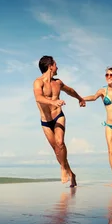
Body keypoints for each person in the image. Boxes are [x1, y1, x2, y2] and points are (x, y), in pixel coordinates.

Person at [33, 56, 86, 187]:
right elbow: (39, 97)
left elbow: (70, 91)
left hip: (58, 116)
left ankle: (63, 168)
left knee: (60, 143)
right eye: (56, 64)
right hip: (45, 121)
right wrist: (53, 101)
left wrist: (79, 98)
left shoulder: (58, 83)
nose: (58, 67)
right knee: (57, 151)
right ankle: (71, 174)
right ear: (50, 66)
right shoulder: (38, 82)